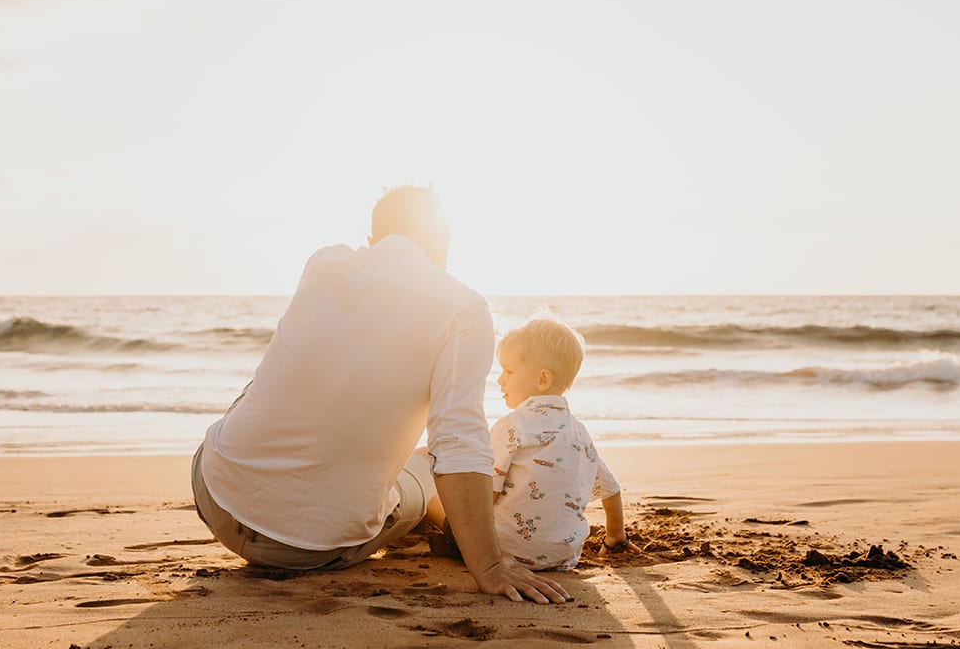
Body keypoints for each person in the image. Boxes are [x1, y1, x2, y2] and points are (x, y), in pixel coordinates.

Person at [190, 186, 570, 604]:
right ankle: (443, 521)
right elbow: (458, 443)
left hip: (215, 495)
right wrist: (491, 567)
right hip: (310, 550)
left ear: (372, 239)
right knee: (424, 476)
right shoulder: (464, 308)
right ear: (442, 240)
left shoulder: (323, 263)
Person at [432, 314, 636, 570]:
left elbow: (487, 491)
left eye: (508, 371)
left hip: (503, 551)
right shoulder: (579, 431)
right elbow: (611, 489)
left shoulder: (513, 425)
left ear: (542, 379)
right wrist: (615, 536)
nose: (499, 379)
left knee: (434, 497)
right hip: (564, 557)